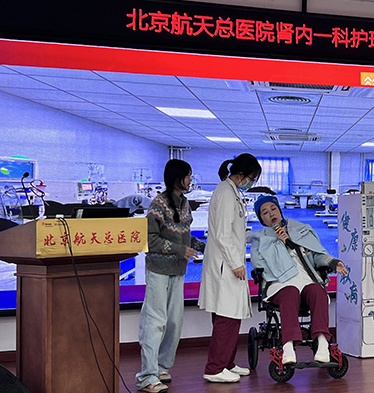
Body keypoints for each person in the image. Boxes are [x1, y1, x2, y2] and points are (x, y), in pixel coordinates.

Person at [250, 195, 348, 365]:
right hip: (279, 283)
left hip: (306, 279)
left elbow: (317, 255)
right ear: (261, 219)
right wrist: (279, 244)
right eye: (265, 212)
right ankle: (288, 347)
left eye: (273, 209)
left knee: (317, 290)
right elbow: (260, 265)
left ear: (280, 210)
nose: (271, 214)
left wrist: (332, 262)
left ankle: (323, 344)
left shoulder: (301, 230)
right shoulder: (260, 239)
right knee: (290, 292)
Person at [136, 159, 205, 393]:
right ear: (177, 178)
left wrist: (201, 245)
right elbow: (150, 239)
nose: (190, 180)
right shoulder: (158, 204)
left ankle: (161, 367)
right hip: (158, 269)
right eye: (188, 175)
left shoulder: (185, 203)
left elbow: (182, 237)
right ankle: (146, 376)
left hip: (178, 270)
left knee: (175, 322)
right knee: (155, 321)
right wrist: (179, 249)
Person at [199, 153, 262, 383]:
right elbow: (223, 235)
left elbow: (234, 231)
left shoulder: (231, 192)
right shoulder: (226, 193)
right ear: (242, 175)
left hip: (228, 261)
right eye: (252, 178)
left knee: (230, 316)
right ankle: (215, 368)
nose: (251, 183)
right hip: (225, 265)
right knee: (227, 316)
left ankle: (227, 363)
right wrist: (236, 264)